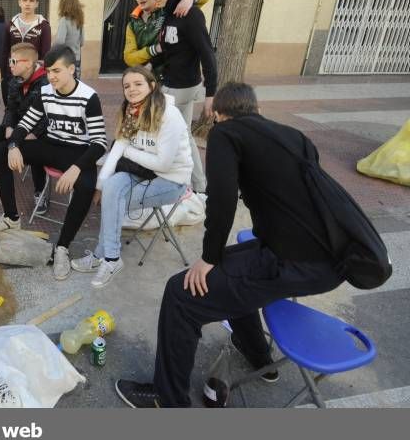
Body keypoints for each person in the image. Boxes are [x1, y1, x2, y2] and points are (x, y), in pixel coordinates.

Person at [113, 83, 346, 408]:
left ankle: (167, 400)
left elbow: (221, 202)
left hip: (295, 262)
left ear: (218, 116)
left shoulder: (226, 134)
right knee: (233, 273)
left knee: (181, 293)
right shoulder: (294, 136)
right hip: (328, 258)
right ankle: (260, 359)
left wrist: (208, 258)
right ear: (257, 110)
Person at [0, 45, 107, 281]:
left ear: (72, 69)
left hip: (78, 153)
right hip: (51, 145)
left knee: (86, 185)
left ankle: (62, 247)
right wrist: (14, 146)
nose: (52, 76)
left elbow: (100, 143)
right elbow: (25, 124)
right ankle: (11, 218)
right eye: (48, 71)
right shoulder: (46, 92)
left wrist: (75, 168)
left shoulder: (89, 97)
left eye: (57, 71)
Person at [72, 67, 192, 288]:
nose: (132, 89)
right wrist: (100, 186)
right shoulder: (131, 111)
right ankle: (109, 256)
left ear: (152, 86)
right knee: (111, 189)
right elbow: (117, 149)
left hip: (171, 180)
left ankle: (107, 256)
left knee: (113, 200)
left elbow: (163, 164)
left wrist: (128, 152)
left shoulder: (168, 114)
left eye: (138, 84)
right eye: (127, 86)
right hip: (141, 171)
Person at [148, 0, 217, 194]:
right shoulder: (168, 12)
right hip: (171, 82)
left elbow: (207, 53)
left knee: (161, 129)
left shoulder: (190, 13)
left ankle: (172, 181)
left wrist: (211, 94)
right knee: (184, 135)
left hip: (181, 87)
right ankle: (200, 185)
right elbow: (169, 49)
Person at [0, 43, 49, 214]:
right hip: (19, 126)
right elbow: (11, 108)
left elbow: (46, 116)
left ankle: (40, 191)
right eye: (9, 61)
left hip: (38, 131)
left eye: (14, 61)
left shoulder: (45, 83)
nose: (10, 65)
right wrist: (8, 126)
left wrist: (33, 134)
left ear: (28, 63)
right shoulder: (14, 80)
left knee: (33, 156)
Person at [123, 0, 209, 80]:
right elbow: (129, 58)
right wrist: (154, 49)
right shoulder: (132, 24)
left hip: (175, 80)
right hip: (147, 82)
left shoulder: (172, 10)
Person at [0, 0, 52, 103]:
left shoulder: (44, 26)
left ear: (37, 4)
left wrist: (38, 76)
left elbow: (45, 55)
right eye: (25, 0)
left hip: (34, 78)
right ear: (19, 2)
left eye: (31, 0)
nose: (27, 4)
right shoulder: (10, 24)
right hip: (12, 76)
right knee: (12, 108)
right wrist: (5, 75)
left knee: (31, 111)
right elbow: (4, 51)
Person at [54, 0, 85, 79]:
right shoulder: (79, 21)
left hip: (66, 58)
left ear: (63, 5)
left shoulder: (64, 20)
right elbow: (82, 42)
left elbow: (60, 41)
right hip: (77, 58)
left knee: (65, 84)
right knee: (75, 83)